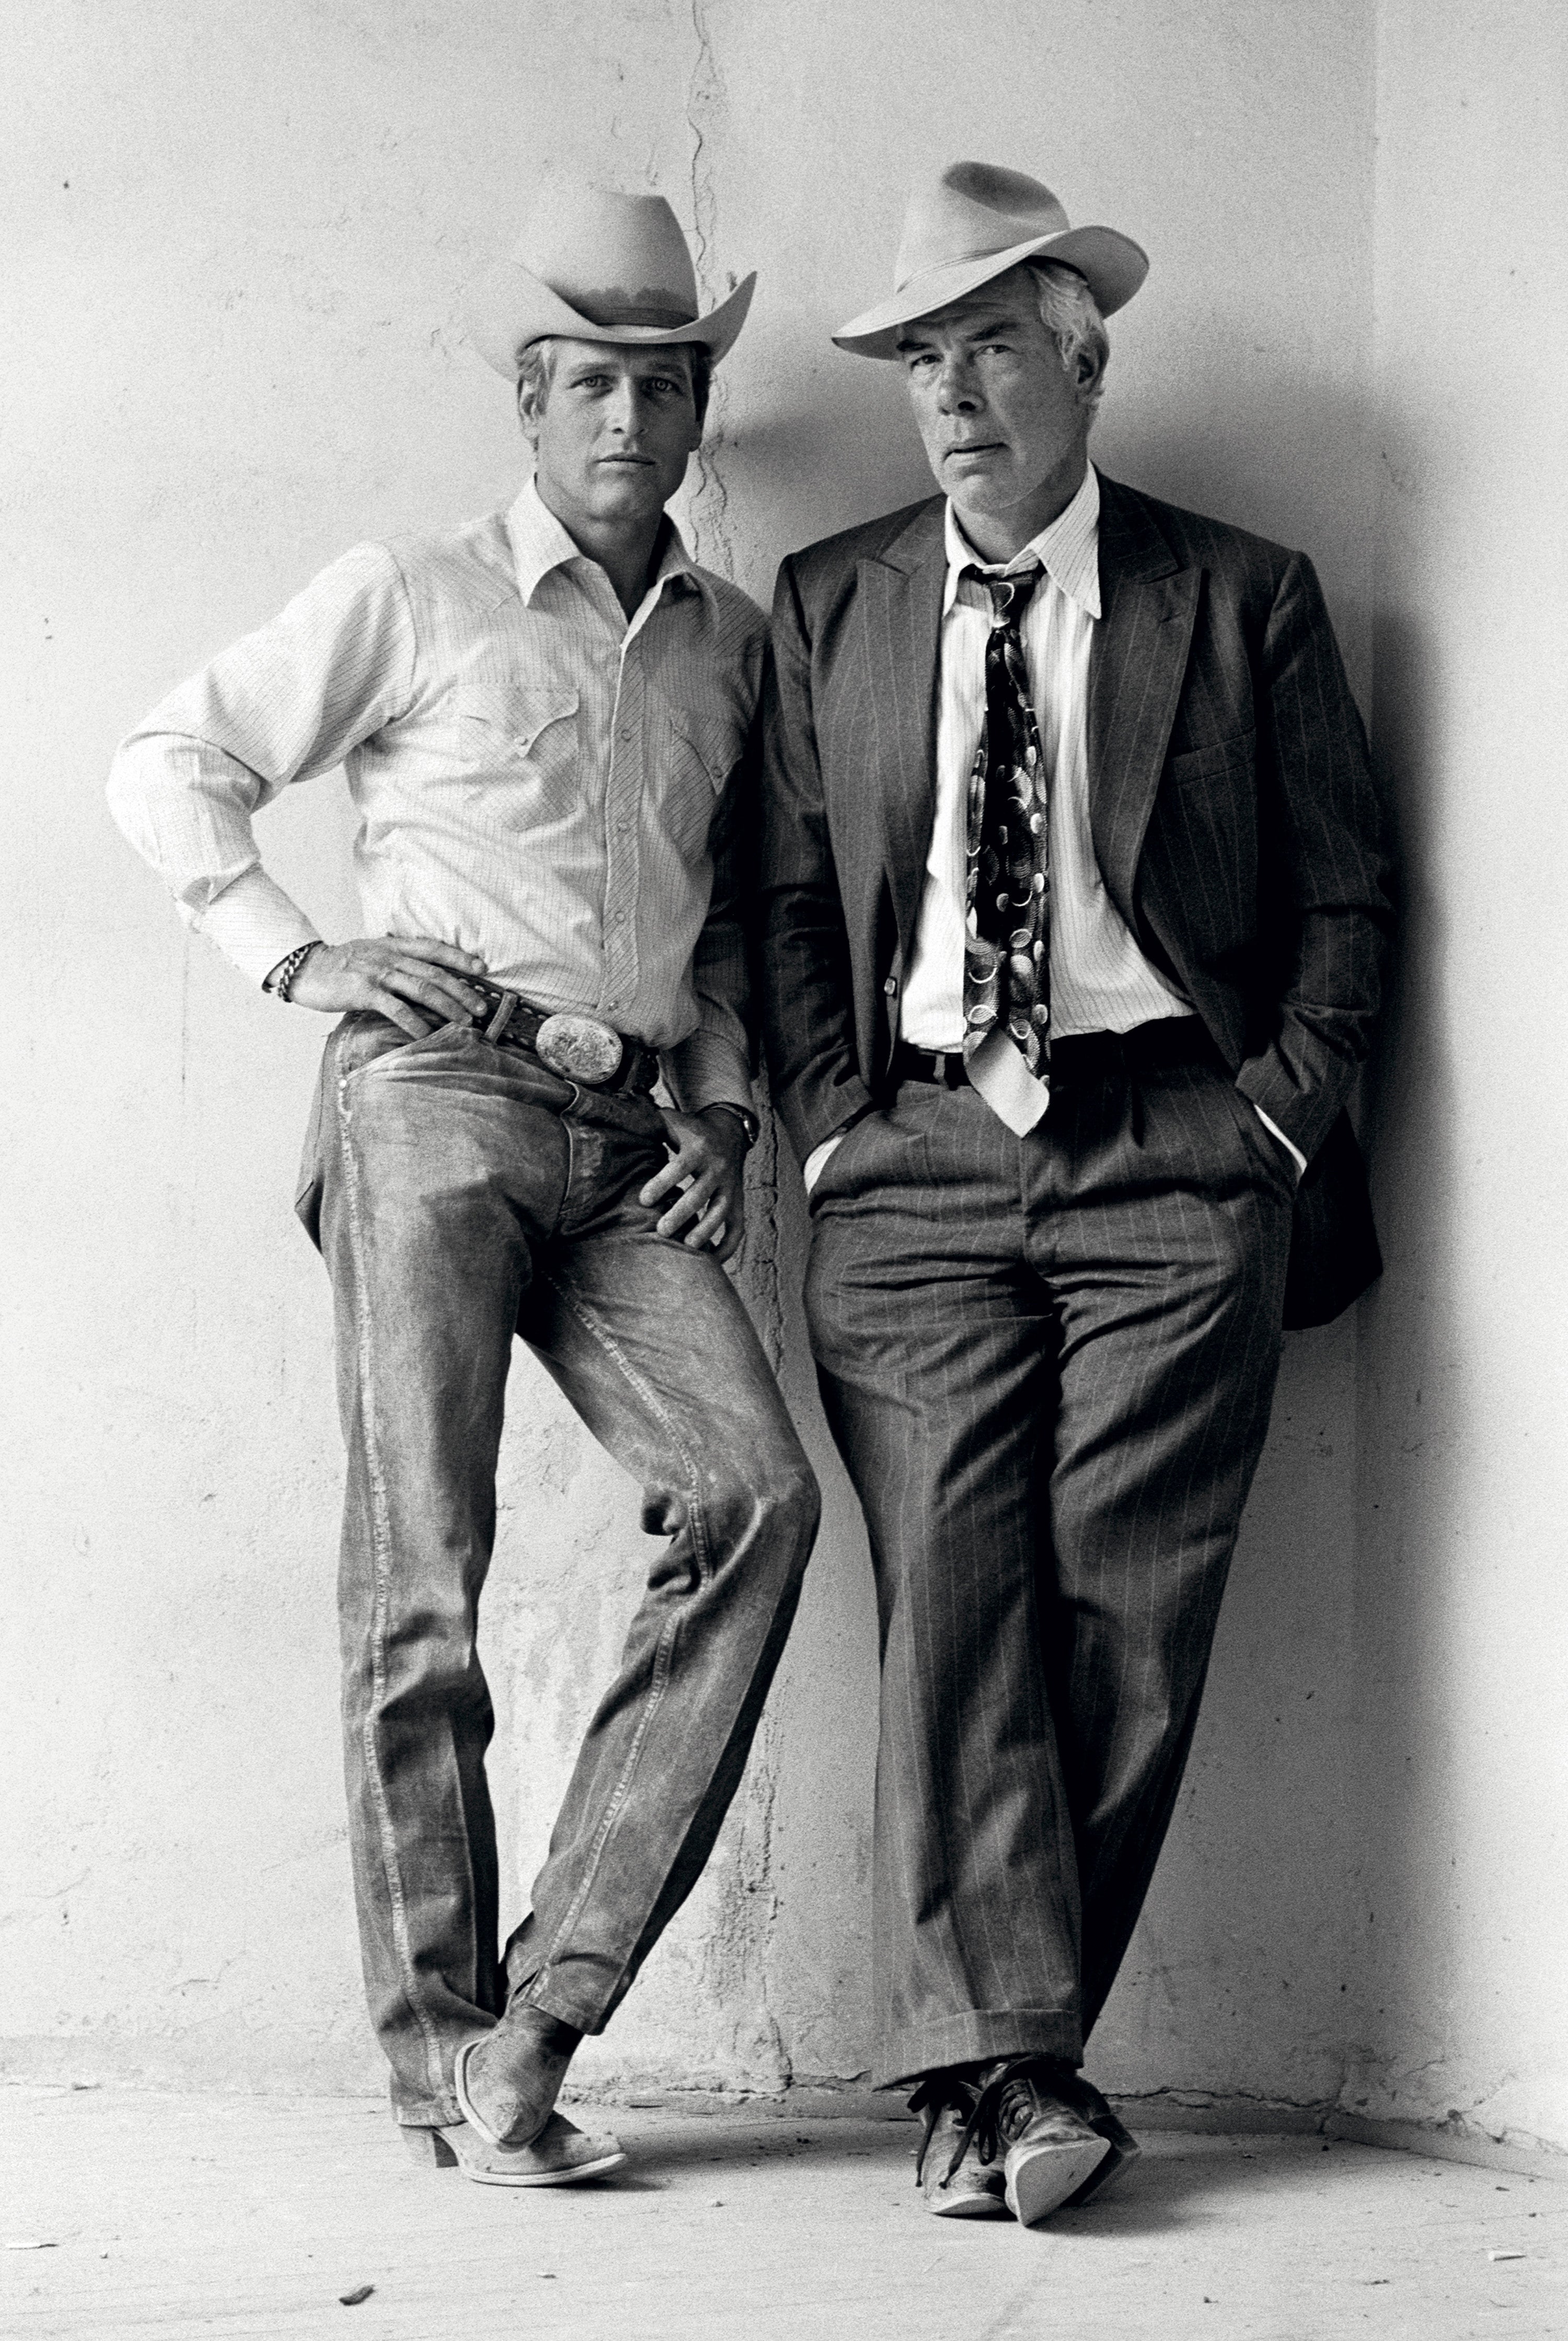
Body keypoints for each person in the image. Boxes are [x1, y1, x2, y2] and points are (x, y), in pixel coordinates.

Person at [108, 175, 820, 2188]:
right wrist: (294, 949)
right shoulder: (406, 592)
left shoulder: (736, 648)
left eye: (660, 385)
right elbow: (167, 757)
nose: (624, 420)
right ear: (528, 408)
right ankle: (440, 2066)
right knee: (425, 1583)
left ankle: (544, 2013)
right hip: (430, 1088)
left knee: (758, 1498)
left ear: (695, 417)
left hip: (634, 1149)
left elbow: (739, 929)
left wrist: (729, 1108)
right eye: (587, 381)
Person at [758, 161, 1391, 2227]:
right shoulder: (833, 602)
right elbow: (784, 905)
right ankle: (1017, 2074)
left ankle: (989, 2072)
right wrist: (834, 1113)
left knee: (1130, 1601)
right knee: (952, 1598)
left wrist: (1278, 1124)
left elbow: (1349, 894)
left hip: (1171, 1151)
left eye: (993, 343)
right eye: (923, 356)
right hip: (915, 1158)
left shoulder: (1245, 593)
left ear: (1085, 363)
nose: (951, 392)